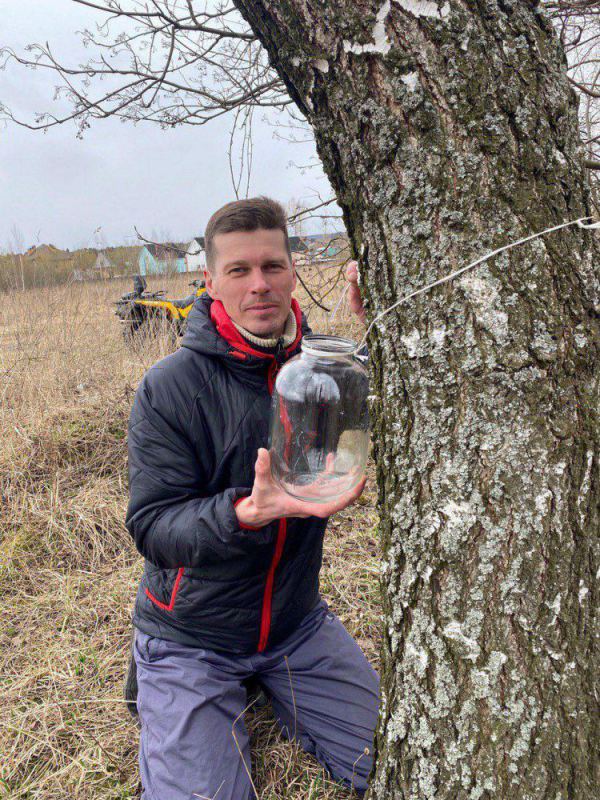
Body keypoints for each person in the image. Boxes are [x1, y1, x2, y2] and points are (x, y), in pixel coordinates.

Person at [125, 196, 378, 800]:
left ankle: (276, 682)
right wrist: (247, 513)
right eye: (239, 270)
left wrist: (384, 334)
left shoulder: (328, 374)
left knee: (397, 754)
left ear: (293, 272)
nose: (259, 284)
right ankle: (162, 684)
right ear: (211, 281)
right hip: (192, 638)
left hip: (295, 624)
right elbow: (153, 526)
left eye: (272, 266)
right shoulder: (170, 387)